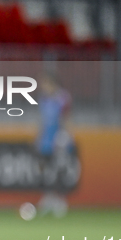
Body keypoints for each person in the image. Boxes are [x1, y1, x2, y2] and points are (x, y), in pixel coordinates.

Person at [35, 71, 73, 217]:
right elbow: (42, 120)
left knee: (59, 170)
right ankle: (48, 198)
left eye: (45, 83)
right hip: (45, 140)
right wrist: (39, 137)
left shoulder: (62, 98)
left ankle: (60, 200)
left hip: (59, 138)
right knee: (44, 170)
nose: (43, 87)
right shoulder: (43, 99)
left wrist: (67, 136)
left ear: (52, 83)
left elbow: (67, 118)